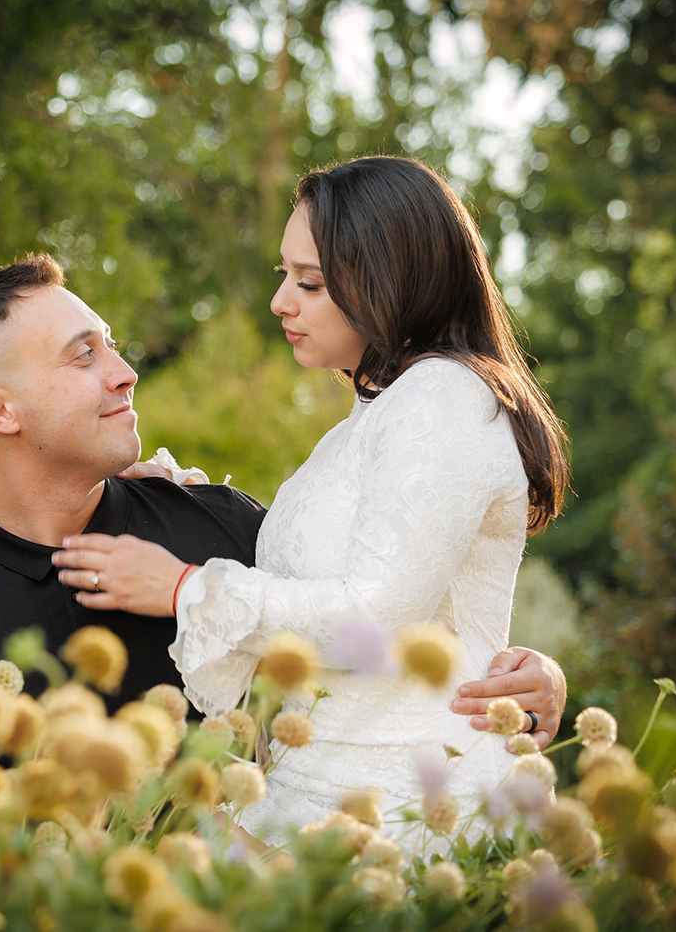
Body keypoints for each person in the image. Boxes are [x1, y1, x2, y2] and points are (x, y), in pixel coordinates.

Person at [0, 250, 567, 800]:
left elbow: (375, 616)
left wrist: (532, 679)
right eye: (84, 357)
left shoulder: (220, 531)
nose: (123, 370)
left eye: (111, 343)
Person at [52, 156, 570, 849]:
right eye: (283, 275)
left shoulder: (442, 397)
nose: (281, 303)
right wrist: (187, 501)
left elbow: (377, 614)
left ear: (392, 279)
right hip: (328, 785)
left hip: (411, 805)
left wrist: (182, 588)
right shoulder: (367, 420)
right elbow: (330, 558)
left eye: (311, 282)